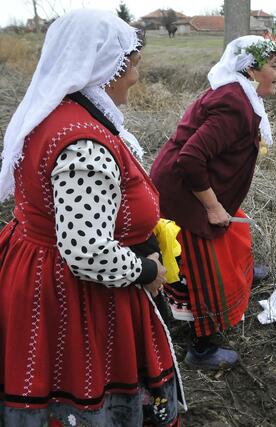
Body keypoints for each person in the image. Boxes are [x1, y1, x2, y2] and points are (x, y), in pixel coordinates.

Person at [0, 10, 184, 426]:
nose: (137, 76)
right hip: (70, 293)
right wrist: (145, 269)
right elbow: (86, 251)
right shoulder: (82, 144)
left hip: (36, 268)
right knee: (78, 395)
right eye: (132, 65)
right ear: (103, 67)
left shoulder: (57, 115)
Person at [150, 35, 276, 370]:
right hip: (185, 193)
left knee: (235, 236)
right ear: (251, 69)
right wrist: (212, 207)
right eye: (275, 65)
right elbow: (192, 158)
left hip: (196, 186)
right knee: (207, 266)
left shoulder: (240, 94)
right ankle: (201, 347)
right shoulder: (234, 105)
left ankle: (243, 273)